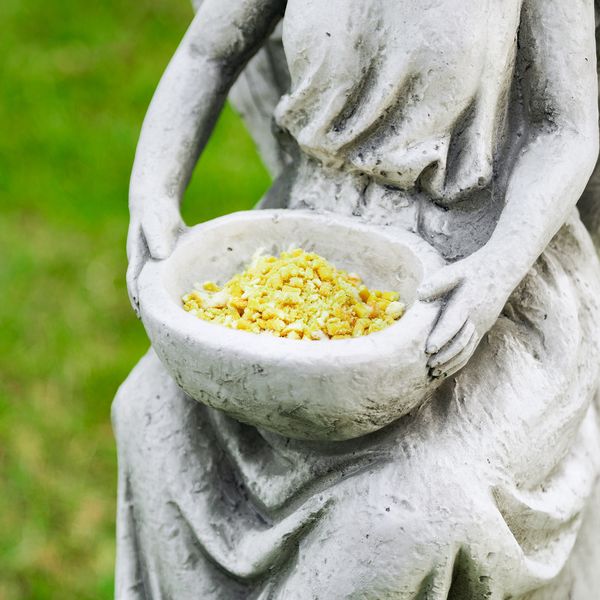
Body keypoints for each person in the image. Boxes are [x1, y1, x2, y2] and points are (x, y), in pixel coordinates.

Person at [114, 0, 600, 597]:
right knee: (150, 411)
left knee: (401, 515)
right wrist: (154, 195)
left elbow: (565, 127)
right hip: (315, 231)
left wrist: (494, 271)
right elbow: (208, 48)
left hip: (485, 274)